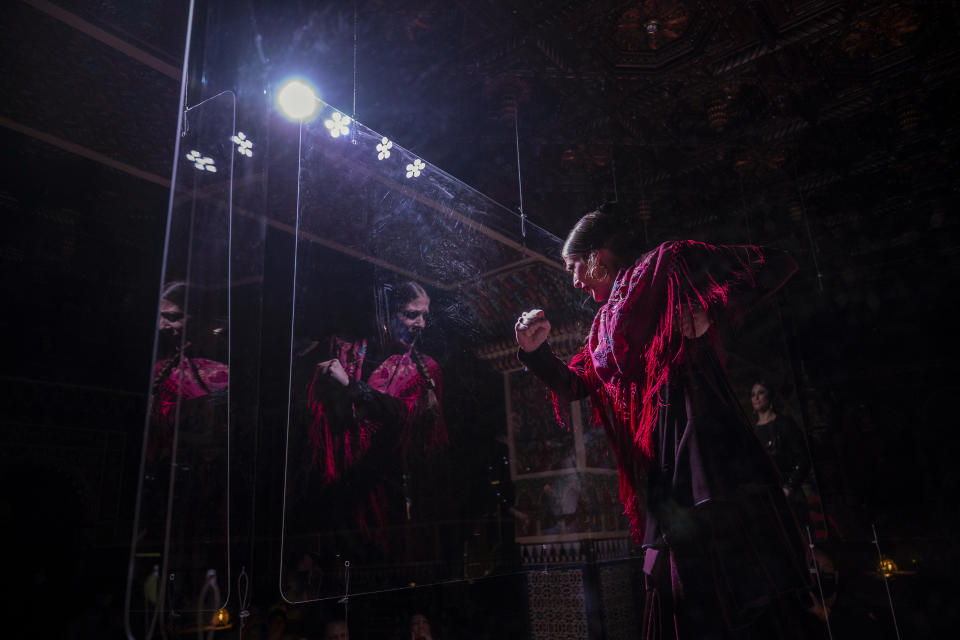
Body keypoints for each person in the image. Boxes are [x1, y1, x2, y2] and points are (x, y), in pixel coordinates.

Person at [514, 206, 811, 638]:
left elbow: (776, 264)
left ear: (597, 255)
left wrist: (711, 310)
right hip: (657, 452)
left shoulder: (665, 264)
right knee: (683, 588)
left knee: (731, 573)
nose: (575, 281)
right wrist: (534, 351)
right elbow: (579, 383)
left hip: (696, 427)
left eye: (574, 267)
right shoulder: (603, 324)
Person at [297, 281, 447, 558]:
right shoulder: (345, 351)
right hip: (333, 502)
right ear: (386, 316)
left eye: (425, 315)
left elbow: (405, 415)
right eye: (412, 314)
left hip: (385, 504)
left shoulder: (424, 372)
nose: (422, 323)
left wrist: (350, 387)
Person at [751, 381, 811, 501]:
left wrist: (789, 487)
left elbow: (803, 457)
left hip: (789, 493)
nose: (756, 397)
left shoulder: (785, 424)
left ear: (770, 396)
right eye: (753, 394)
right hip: (767, 496)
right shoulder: (753, 432)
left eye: (761, 393)